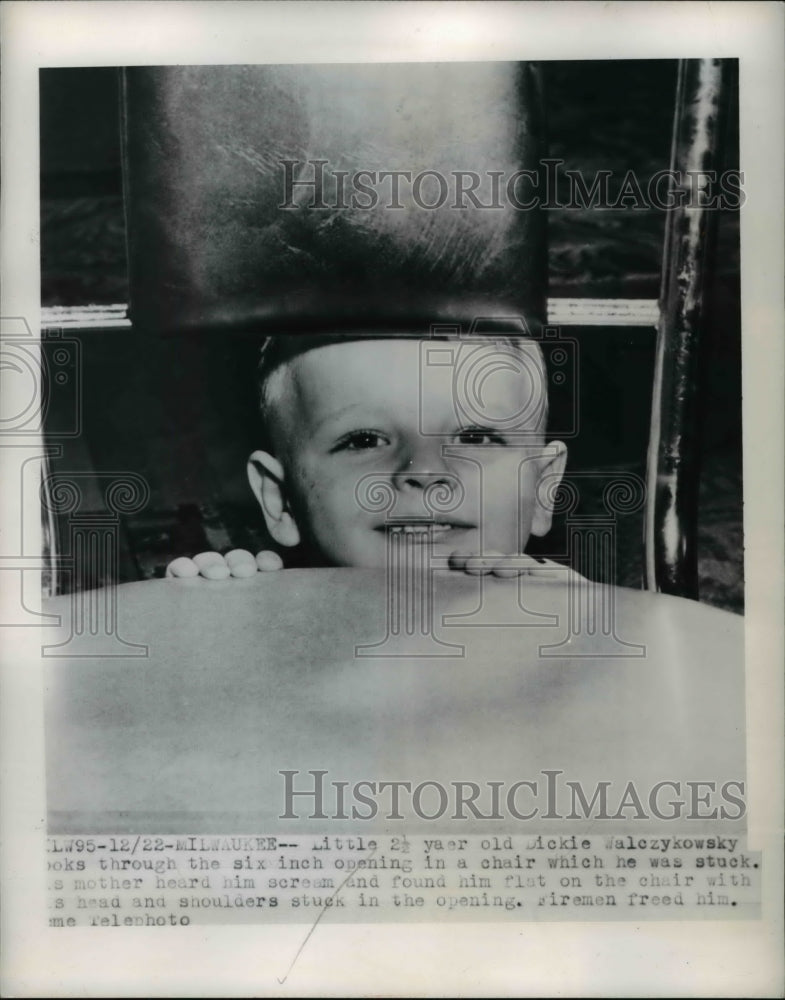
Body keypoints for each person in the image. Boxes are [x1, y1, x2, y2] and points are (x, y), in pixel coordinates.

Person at [166, 330, 572, 582]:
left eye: (477, 438)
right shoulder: (260, 624)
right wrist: (213, 628)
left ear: (542, 486)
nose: (427, 470)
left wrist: (600, 633)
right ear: (280, 500)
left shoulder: (587, 630)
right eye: (364, 441)